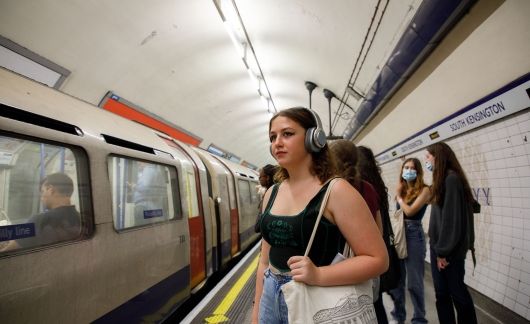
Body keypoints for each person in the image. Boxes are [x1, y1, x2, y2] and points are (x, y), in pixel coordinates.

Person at [251, 107, 388, 324]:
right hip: (270, 296)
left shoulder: (336, 191)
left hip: (314, 299)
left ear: (314, 139)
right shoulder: (272, 193)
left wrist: (319, 275)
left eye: (287, 134)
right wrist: (257, 312)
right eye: (272, 137)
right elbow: (264, 261)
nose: (277, 142)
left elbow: (378, 260)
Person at [330, 140, 387, 324]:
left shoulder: (332, 189)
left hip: (338, 267)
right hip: (367, 267)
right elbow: (379, 230)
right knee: (370, 309)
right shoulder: (368, 188)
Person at [425, 142, 477, 324]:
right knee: (442, 294)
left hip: (448, 251)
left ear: (438, 157)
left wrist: (443, 252)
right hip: (439, 247)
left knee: (458, 295)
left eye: (428, 156)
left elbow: (451, 220)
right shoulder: (444, 180)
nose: (427, 160)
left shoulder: (451, 180)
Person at [389, 158, 430, 324]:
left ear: (418, 171)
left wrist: (399, 197)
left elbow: (411, 211)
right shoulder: (403, 188)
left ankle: (419, 318)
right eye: (406, 167)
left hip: (414, 235)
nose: (408, 170)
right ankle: (398, 315)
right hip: (400, 234)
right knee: (398, 280)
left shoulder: (425, 190)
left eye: (412, 168)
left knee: (414, 282)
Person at [2, 172, 81, 251]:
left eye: (42, 192)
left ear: (50, 190)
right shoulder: (81, 219)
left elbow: (7, 251)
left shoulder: (40, 220)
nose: (41, 198)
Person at [255, 164, 277, 233]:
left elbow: (258, 227)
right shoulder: (276, 191)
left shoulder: (270, 194)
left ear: (267, 177)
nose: (259, 179)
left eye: (260, 177)